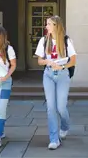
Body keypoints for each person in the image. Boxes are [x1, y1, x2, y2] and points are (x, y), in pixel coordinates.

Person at [34, 15, 77, 150]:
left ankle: (65, 126)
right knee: (50, 107)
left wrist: (62, 66)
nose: (46, 26)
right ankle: (54, 139)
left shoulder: (66, 40)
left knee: (61, 108)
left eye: (49, 24)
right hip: (48, 74)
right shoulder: (43, 40)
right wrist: (47, 61)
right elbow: (39, 60)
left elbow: (73, 60)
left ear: (56, 26)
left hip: (63, 75)